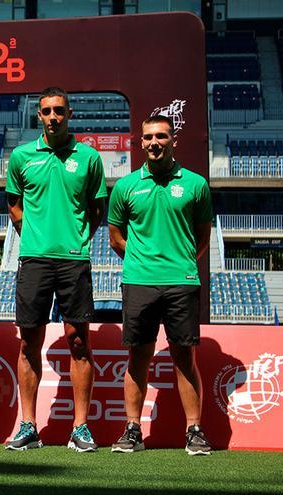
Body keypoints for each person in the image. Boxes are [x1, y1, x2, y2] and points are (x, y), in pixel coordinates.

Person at [4, 87, 107, 452]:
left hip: (73, 260)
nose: (53, 117)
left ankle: (80, 428)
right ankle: (28, 425)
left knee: (79, 341)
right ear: (39, 115)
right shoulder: (21, 156)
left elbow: (97, 211)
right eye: (46, 111)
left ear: (70, 113)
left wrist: (75, 239)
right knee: (29, 340)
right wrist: (35, 236)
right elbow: (14, 206)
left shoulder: (90, 158)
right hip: (33, 259)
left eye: (59, 110)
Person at [107, 115, 213, 455]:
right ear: (141, 143)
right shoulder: (125, 187)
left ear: (173, 140)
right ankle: (133, 429)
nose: (155, 142)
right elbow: (115, 238)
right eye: (149, 137)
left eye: (162, 136)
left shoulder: (195, 185)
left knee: (184, 356)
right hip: (139, 281)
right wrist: (143, 259)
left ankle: (194, 431)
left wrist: (179, 261)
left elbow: (202, 237)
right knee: (138, 356)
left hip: (181, 281)